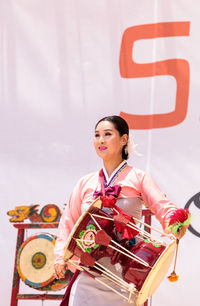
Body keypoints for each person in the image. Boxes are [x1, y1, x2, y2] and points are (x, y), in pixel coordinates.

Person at [54, 115, 190, 306]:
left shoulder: (139, 177)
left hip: (126, 277)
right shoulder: (85, 183)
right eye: (97, 135)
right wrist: (60, 257)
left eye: (107, 134)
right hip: (89, 273)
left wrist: (174, 222)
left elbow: (162, 205)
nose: (101, 140)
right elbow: (68, 221)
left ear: (124, 139)